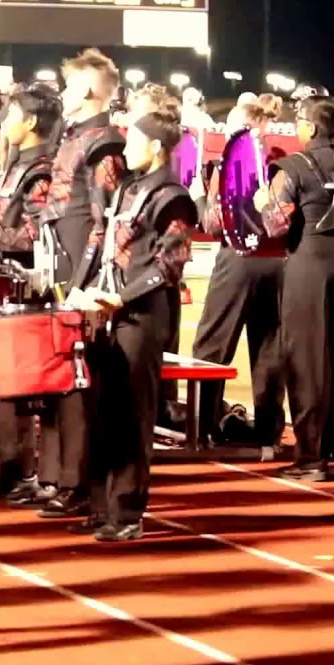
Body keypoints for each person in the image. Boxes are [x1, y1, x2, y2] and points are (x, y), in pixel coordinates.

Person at [68, 106, 197, 541]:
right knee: (101, 409)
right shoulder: (128, 188)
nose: (126, 149)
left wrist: (121, 298)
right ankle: (100, 503)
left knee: (132, 414)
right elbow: (103, 244)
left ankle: (126, 512)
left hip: (141, 315)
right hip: (107, 310)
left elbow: (170, 264)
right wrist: (80, 289)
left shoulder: (174, 198)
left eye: (135, 141)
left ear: (156, 147)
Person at [257, 96, 334, 481]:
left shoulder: (293, 166)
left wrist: (262, 202)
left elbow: (275, 224)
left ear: (309, 126)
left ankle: (312, 458)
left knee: (308, 360)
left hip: (310, 266)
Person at [34, 48, 126, 521]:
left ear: (88, 88)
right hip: (63, 267)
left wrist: (82, 281)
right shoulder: (74, 135)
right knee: (63, 381)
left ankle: (81, 483)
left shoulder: (104, 142)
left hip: (81, 277)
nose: (63, 92)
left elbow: (104, 220)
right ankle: (61, 476)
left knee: (82, 385)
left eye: (70, 84)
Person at [0, 82, 60, 507]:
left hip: (23, 288)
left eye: (11, 115)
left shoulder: (41, 171)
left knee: (18, 385)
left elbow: (35, 236)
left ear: (31, 121)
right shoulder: (14, 166)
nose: (3, 122)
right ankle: (4, 466)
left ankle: (24, 469)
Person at [191, 100, 287, 449]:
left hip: (238, 259)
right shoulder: (282, 164)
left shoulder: (229, 164)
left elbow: (214, 224)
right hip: (278, 262)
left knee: (211, 344)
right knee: (269, 348)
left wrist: (199, 198)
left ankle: (203, 424)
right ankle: (268, 431)